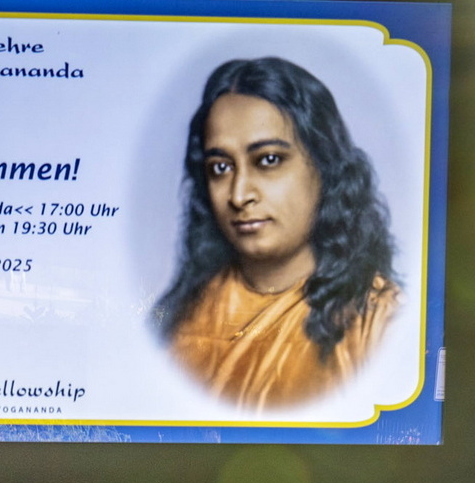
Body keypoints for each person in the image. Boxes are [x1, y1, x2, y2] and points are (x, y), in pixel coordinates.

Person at [154, 56, 398, 412]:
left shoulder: (376, 320)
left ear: (324, 166)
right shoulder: (180, 318)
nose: (239, 195)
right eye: (220, 167)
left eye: (268, 160)